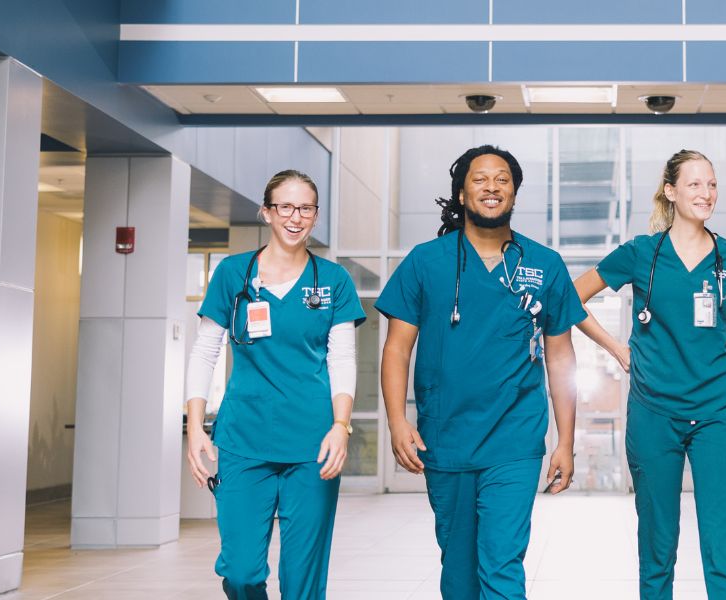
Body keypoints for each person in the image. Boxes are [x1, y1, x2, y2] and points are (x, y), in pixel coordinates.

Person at [377, 145, 587, 600]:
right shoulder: (425, 261)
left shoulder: (543, 264)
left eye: (503, 179)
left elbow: (561, 357)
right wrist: (397, 421)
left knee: (502, 567)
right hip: (445, 439)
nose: (492, 187)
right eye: (480, 178)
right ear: (460, 191)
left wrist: (566, 442)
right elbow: (396, 349)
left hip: (515, 441)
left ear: (514, 192)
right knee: (458, 574)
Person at [570, 150, 726, 600]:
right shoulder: (643, 253)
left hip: (718, 416)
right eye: (696, 184)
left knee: (722, 550)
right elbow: (570, 297)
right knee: (657, 548)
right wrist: (616, 347)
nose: (707, 193)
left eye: (713, 184)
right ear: (671, 191)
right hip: (653, 415)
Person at [183, 170, 364, 600]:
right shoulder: (232, 274)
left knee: (303, 579)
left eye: (305, 208)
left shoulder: (333, 280)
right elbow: (205, 352)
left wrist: (341, 425)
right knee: (242, 571)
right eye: (285, 206)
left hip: (313, 444)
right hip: (244, 440)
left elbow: (342, 358)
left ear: (316, 216)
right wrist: (195, 429)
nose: (295, 217)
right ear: (266, 212)